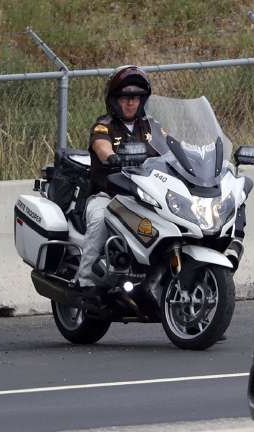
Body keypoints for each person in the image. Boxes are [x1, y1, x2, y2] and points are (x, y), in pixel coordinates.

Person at [78, 65, 160, 290]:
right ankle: (85, 282)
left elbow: (171, 148)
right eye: (125, 97)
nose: (130, 102)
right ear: (114, 100)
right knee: (98, 221)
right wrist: (111, 156)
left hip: (144, 196)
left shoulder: (151, 126)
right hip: (109, 195)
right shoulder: (104, 126)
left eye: (135, 97)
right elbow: (101, 146)